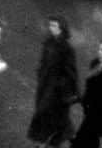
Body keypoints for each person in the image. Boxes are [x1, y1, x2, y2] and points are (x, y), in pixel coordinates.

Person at [28, 15, 79, 148]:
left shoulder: (67, 48)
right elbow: (43, 61)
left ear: (62, 28)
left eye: (54, 26)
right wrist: (40, 73)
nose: (51, 28)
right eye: (50, 25)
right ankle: (66, 136)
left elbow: (71, 72)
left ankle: (43, 142)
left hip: (56, 89)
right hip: (45, 84)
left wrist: (60, 87)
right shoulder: (48, 42)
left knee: (44, 113)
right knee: (56, 117)